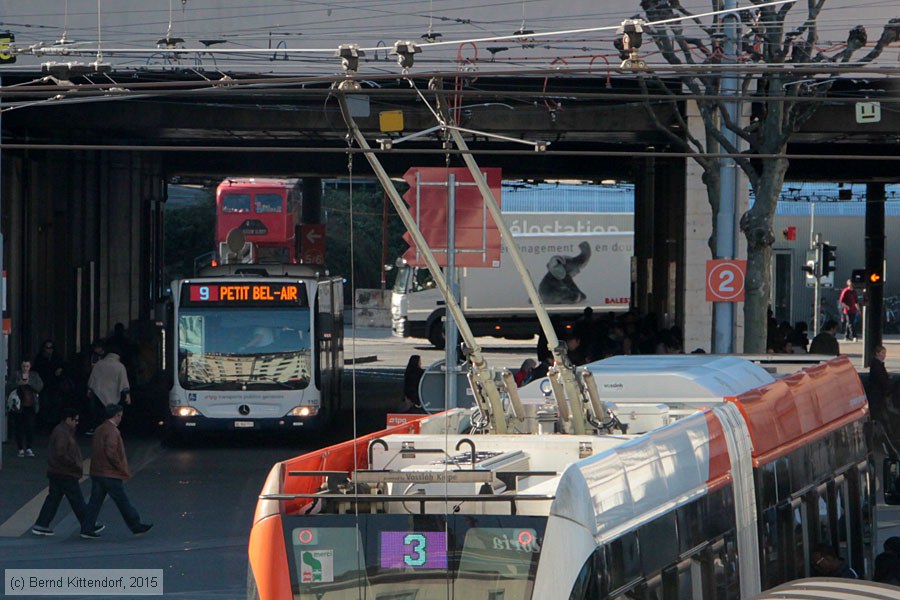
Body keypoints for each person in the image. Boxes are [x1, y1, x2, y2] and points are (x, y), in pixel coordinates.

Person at [80, 404, 152, 539]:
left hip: (97, 471)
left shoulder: (99, 429)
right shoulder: (113, 431)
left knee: (95, 502)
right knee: (122, 501)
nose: (121, 418)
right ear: (117, 415)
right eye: (120, 415)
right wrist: (121, 468)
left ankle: (87, 528)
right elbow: (111, 452)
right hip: (110, 473)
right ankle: (136, 526)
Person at [31, 409, 105, 537]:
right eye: (75, 420)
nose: (77, 423)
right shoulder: (63, 433)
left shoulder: (61, 430)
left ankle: (41, 524)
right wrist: (74, 464)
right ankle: (88, 524)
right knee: (76, 499)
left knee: (54, 498)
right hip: (65, 472)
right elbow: (61, 453)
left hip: (56, 471)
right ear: (68, 419)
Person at [86, 346, 131, 434]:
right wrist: (127, 395)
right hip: (114, 395)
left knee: (100, 414)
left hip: (99, 395)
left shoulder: (99, 364)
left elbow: (92, 379)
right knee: (112, 414)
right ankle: (112, 431)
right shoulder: (120, 366)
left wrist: (90, 390)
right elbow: (124, 381)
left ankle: (98, 430)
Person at [6, 359, 44, 457]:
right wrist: (18, 384)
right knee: (19, 427)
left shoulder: (34, 375)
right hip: (19, 405)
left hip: (31, 405)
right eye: (23, 366)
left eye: (27, 366)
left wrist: (29, 383)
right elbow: (8, 387)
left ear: (30, 367)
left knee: (30, 427)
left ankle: (29, 447)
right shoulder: (16, 375)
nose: (25, 368)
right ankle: (20, 448)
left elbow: (40, 387)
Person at [33, 339, 65, 429]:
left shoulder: (57, 357)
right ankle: (44, 424)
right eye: (46, 347)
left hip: (55, 385)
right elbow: (37, 370)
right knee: (44, 405)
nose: (49, 349)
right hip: (44, 385)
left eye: (51, 347)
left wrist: (60, 371)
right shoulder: (40, 358)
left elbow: (63, 368)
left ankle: (53, 424)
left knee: (56, 404)